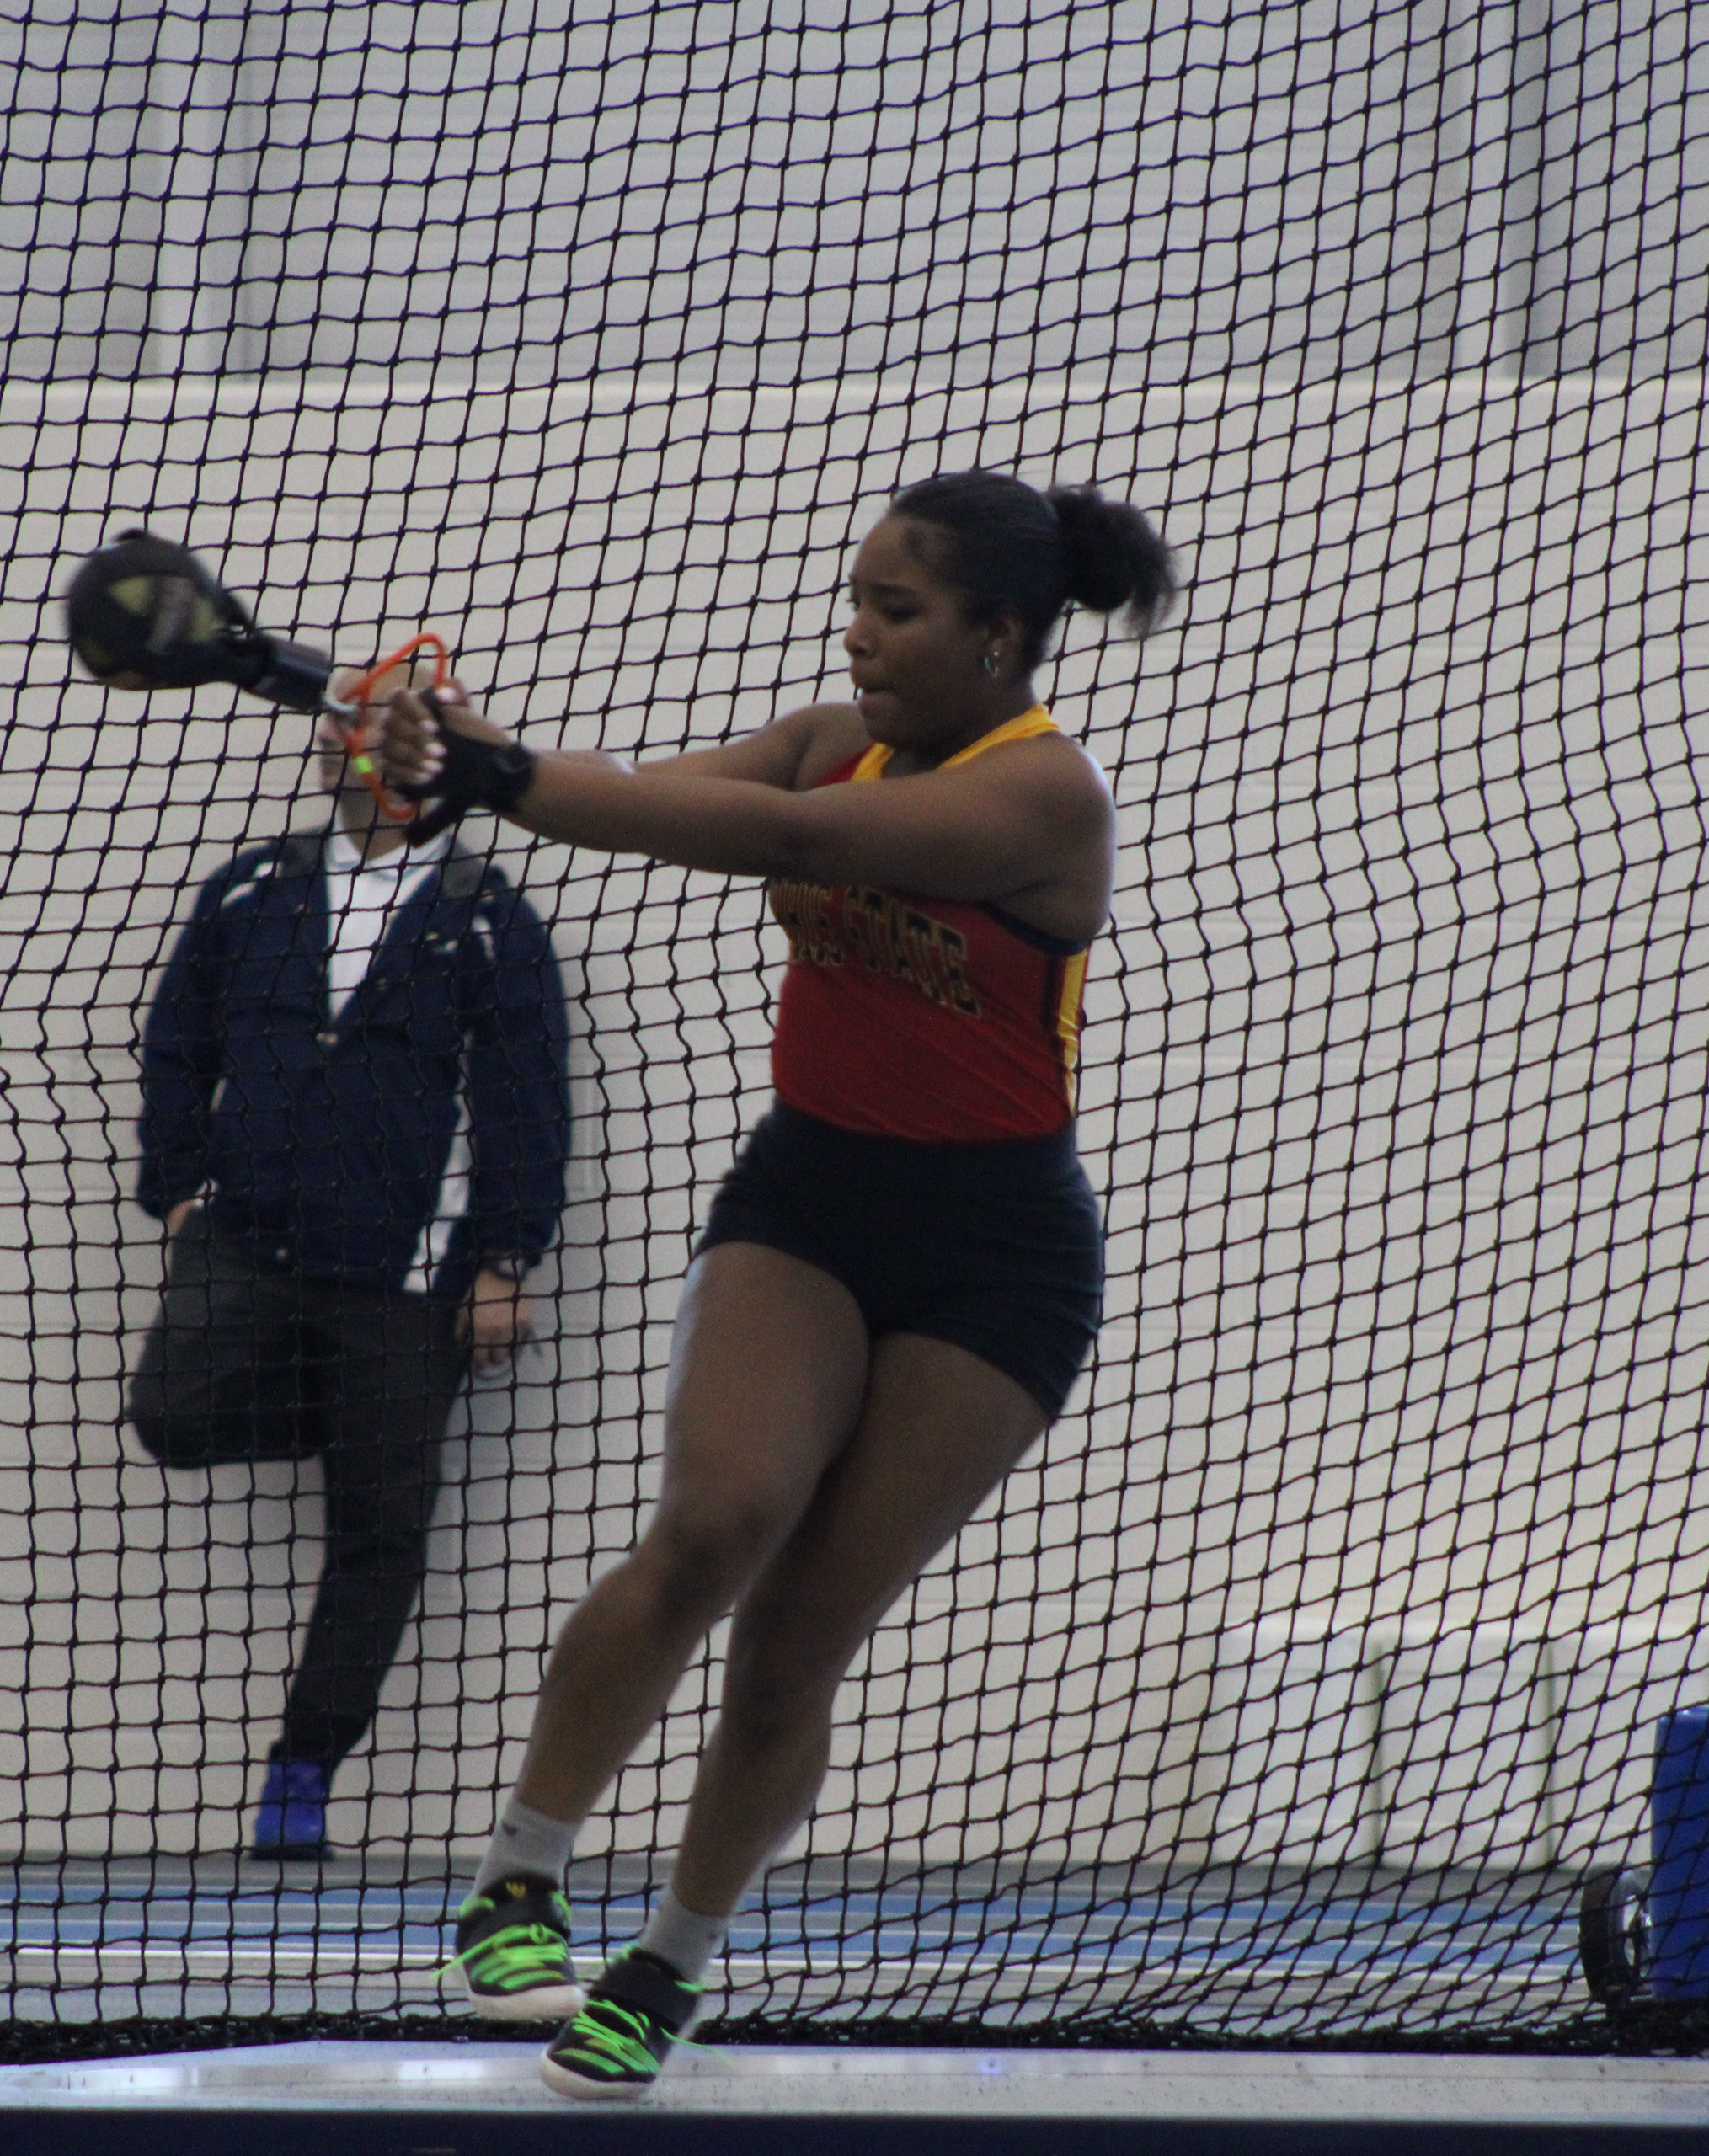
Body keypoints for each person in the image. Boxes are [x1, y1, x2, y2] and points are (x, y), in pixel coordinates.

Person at [371, 472, 1176, 2098]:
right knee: (715, 1524)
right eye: (857, 600)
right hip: (808, 1199)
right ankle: (521, 1876)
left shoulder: (1047, 797)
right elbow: (646, 797)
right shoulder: (824, 738)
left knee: (798, 1640)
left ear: (998, 634)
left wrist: (498, 772)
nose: (858, 634)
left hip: (997, 1263)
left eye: (896, 609)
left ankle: (668, 1964)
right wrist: (473, 761)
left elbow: (789, 843)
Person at [128, 668, 572, 1860]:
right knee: (171, 1413)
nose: (352, 743)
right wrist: (179, 1190)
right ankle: (353, 1420)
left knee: (381, 1534)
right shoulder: (253, 889)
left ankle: (301, 1775)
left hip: (409, 1281)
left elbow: (526, 1100)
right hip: (252, 1242)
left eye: (385, 724)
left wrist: (506, 1259)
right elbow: (178, 1044)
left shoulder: (487, 916)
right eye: (348, 722)